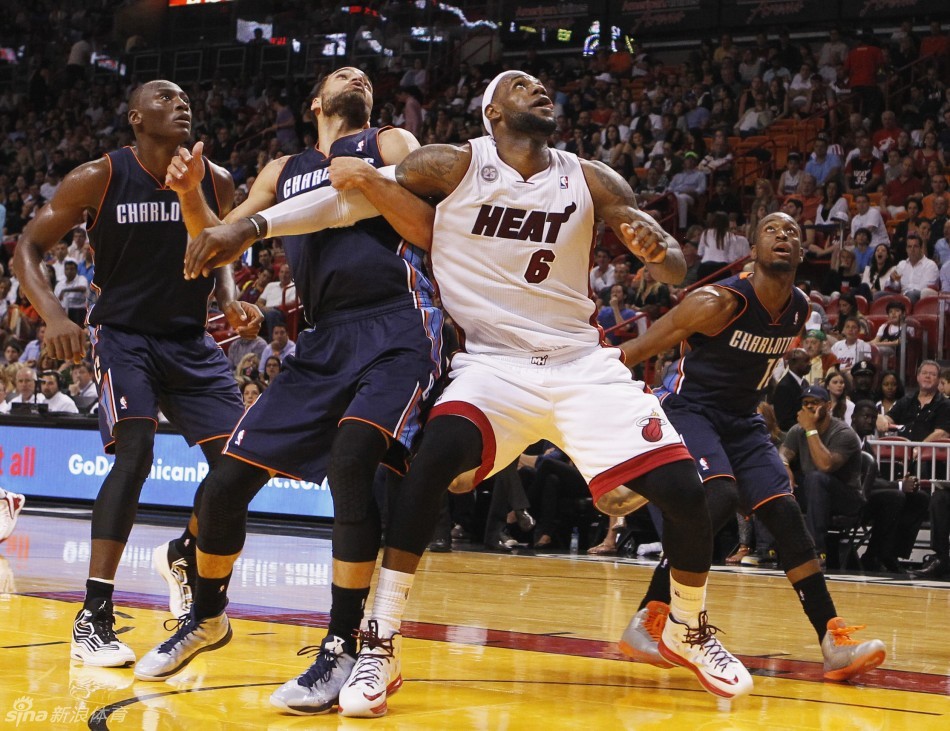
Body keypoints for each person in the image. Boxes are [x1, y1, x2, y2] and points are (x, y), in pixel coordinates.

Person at [174, 69, 756, 709]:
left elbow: (672, 264)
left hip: (579, 362)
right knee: (429, 468)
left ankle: (686, 627)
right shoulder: (451, 164)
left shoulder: (589, 176)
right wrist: (249, 229)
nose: (539, 87)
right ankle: (380, 644)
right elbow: (348, 202)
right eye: (521, 84)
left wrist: (661, 249)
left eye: (543, 83)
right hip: (492, 365)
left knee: (685, 492)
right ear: (492, 113)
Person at [132, 68, 444, 720]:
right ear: (316, 103)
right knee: (224, 485)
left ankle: (343, 643)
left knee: (353, 465)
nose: (354, 73)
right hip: (320, 343)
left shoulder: (390, 143)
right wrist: (192, 195)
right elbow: (213, 241)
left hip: (394, 327)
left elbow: (429, 229)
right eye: (339, 72)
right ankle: (210, 615)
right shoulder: (282, 168)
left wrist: (371, 187)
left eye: (361, 74)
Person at [11, 80, 262, 667]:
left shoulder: (215, 179)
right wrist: (52, 316)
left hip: (190, 341)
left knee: (240, 469)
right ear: (134, 118)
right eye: (165, 97)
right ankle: (92, 617)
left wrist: (227, 300)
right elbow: (27, 245)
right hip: (123, 336)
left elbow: (218, 248)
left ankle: (185, 551)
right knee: (137, 450)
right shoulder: (97, 177)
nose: (182, 104)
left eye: (185, 98)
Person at [617, 211, 885, 681]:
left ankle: (832, 641)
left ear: (803, 253)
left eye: (793, 232)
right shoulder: (717, 302)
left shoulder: (801, 309)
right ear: (753, 249)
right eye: (771, 230)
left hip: (742, 421)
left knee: (784, 512)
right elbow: (638, 350)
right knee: (717, 496)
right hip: (690, 408)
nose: (783, 236)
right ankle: (652, 617)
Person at [875, 361, 950, 579]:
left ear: (938, 380)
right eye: (924, 373)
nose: (928, 377)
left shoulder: (943, 405)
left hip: (930, 463)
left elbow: (942, 432)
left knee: (922, 495)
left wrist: (920, 448)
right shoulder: (905, 401)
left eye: (932, 374)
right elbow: (888, 418)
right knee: (894, 495)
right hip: (902, 464)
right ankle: (884, 553)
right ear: (917, 377)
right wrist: (881, 418)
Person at [851, 401, 930, 573]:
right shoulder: (848, 440)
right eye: (865, 417)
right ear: (853, 418)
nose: (870, 421)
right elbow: (862, 479)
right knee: (895, 497)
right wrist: (899, 485)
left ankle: (891, 554)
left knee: (919, 498)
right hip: (850, 498)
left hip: (867, 495)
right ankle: (874, 555)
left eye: (873, 417)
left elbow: (875, 478)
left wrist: (902, 482)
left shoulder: (866, 444)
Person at [771, 347, 811, 431]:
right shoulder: (783, 387)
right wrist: (806, 428)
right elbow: (784, 421)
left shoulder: (805, 383)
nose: (810, 364)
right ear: (793, 362)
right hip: (794, 436)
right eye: (806, 361)